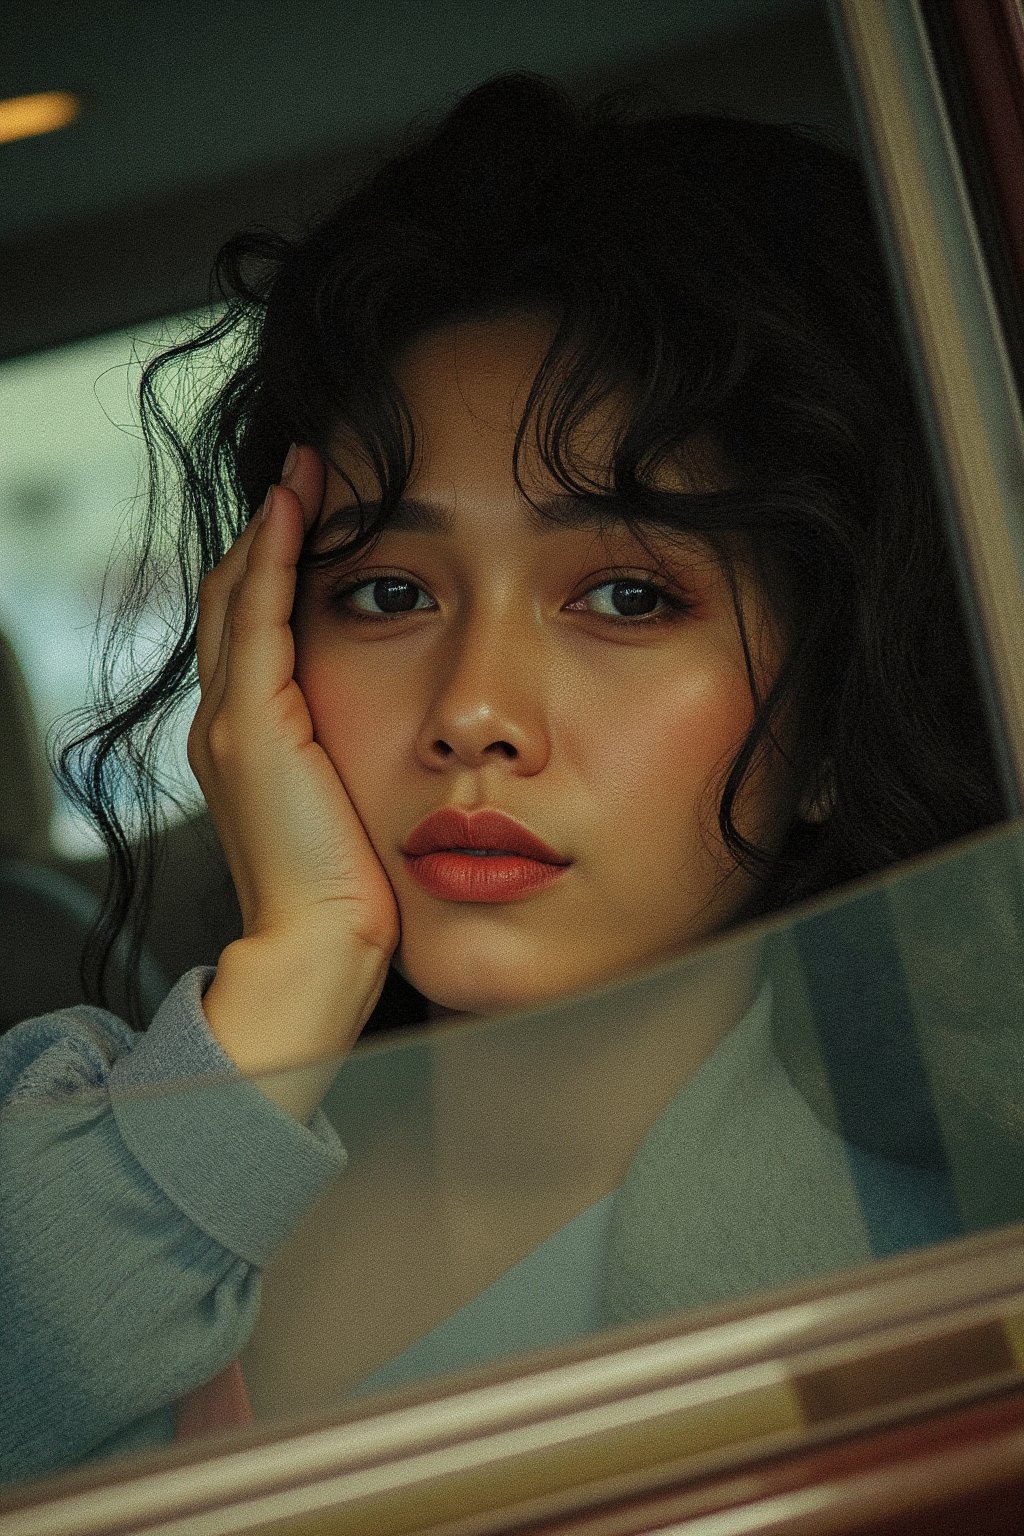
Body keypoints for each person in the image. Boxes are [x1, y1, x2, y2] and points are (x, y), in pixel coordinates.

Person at [0, 74, 1007, 1482]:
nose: (474, 710)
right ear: (264, 658)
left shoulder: (965, 1238)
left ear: (832, 717)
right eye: (390, 590)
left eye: (628, 600)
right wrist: (292, 974)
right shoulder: (86, 1167)